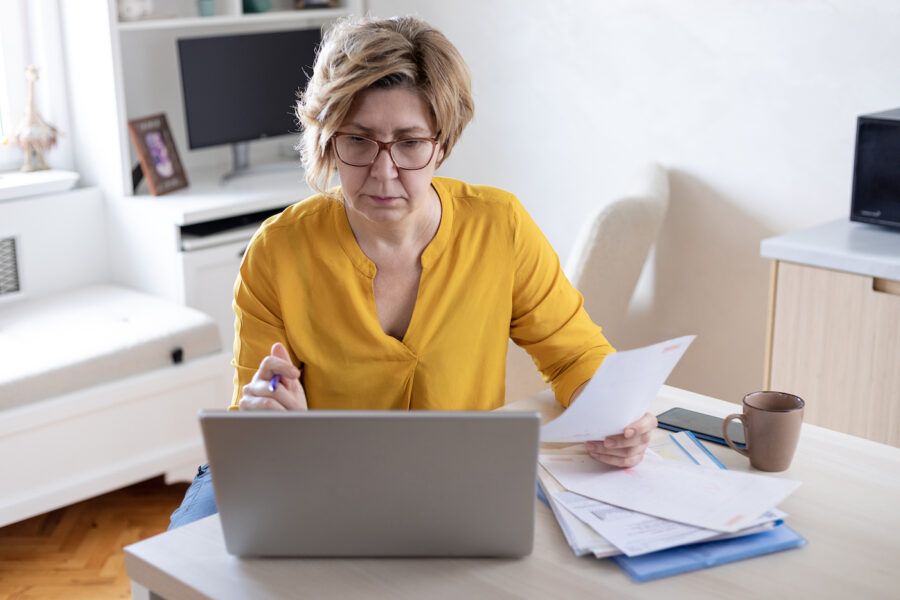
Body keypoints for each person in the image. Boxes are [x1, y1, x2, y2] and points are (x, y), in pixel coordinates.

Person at [168, 15, 656, 530]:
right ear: (328, 139)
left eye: (409, 143)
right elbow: (253, 408)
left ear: (442, 143)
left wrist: (617, 413)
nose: (383, 172)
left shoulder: (500, 226)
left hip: (452, 484)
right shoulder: (276, 251)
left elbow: (576, 355)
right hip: (313, 479)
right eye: (357, 140)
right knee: (185, 555)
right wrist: (264, 415)